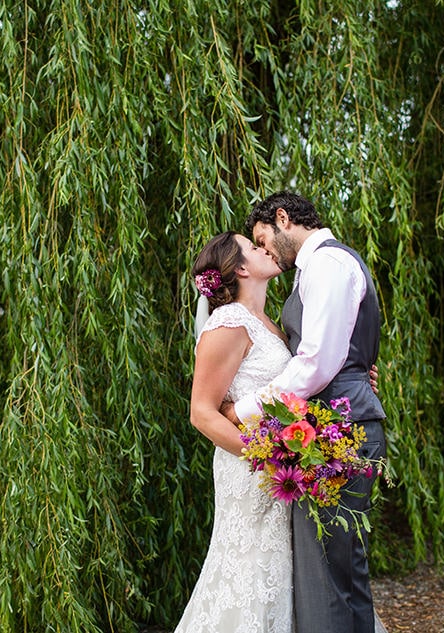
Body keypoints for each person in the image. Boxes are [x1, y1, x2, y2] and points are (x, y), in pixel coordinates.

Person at [230, 191, 387, 633]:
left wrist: (243, 409)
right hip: (335, 428)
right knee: (340, 573)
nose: (264, 251)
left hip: (341, 431)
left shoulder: (327, 265)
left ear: (283, 218)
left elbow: (317, 363)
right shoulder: (316, 270)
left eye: (263, 239)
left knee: (327, 578)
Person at [174, 230, 294, 633]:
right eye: (254, 247)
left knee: (279, 567)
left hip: (278, 463)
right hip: (250, 467)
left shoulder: (268, 323)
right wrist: (265, 458)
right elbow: (202, 413)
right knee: (249, 566)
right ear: (241, 268)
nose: (265, 249)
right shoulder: (229, 321)